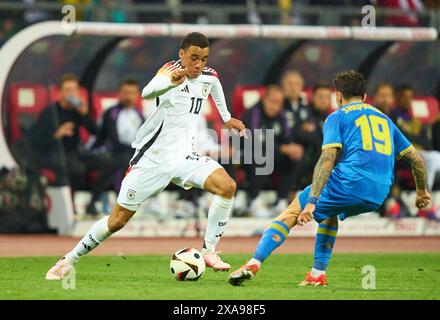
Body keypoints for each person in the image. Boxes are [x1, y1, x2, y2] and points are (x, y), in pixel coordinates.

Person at [46, 32, 246, 280]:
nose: (198, 64)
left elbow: (214, 84)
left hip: (185, 157)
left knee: (227, 186)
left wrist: (226, 118)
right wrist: (171, 81)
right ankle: (68, 260)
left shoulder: (208, 76)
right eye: (194, 58)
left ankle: (209, 251)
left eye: (203, 59)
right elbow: (148, 93)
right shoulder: (168, 71)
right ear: (181, 54)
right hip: (153, 159)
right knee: (117, 220)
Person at [228, 70, 430, 287]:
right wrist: (422, 192)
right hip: (380, 193)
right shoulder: (385, 119)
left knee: (292, 211)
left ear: (338, 97)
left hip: (349, 183)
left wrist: (311, 202)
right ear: (364, 97)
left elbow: (328, 158)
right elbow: (417, 159)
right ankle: (317, 274)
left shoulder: (337, 116)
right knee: (330, 214)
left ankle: (253, 263)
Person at [30, 74, 114, 216]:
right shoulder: (50, 112)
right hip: (54, 154)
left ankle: (93, 203)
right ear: (60, 92)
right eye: (67, 90)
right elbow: (36, 141)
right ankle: (70, 205)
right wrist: (56, 134)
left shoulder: (77, 112)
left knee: (108, 162)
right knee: (77, 169)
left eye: (74, 90)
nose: (71, 93)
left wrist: (85, 114)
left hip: (75, 153)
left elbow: (97, 133)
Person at [241, 85, 303, 212]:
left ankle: (281, 199)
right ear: (264, 100)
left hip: (274, 153)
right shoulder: (254, 113)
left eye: (279, 103)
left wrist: (292, 148)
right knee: (261, 154)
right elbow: (254, 141)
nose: (275, 106)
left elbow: (287, 138)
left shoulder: (282, 115)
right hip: (247, 154)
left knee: (296, 157)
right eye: (272, 101)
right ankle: (253, 199)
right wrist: (282, 148)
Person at [93, 78, 145, 191]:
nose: (129, 97)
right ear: (120, 94)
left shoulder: (140, 115)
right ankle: (118, 195)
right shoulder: (111, 113)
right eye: (126, 93)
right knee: (123, 160)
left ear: (137, 95)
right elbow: (112, 140)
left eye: (132, 93)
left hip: (133, 152)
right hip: (112, 151)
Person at [391, 85, 440, 191]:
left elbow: (426, 142)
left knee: (435, 157)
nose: (407, 100)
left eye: (410, 97)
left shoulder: (415, 121)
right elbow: (403, 137)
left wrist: (421, 141)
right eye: (404, 97)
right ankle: (427, 192)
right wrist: (419, 140)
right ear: (396, 98)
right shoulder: (392, 117)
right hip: (403, 154)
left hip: (421, 153)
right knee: (433, 158)